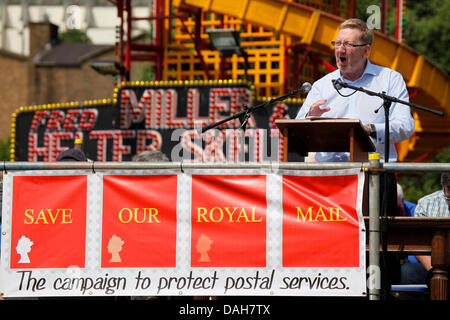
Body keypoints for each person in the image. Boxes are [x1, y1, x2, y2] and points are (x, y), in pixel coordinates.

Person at [295, 18, 415, 163]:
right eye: (337, 43)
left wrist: (371, 129)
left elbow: (405, 126)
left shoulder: (389, 79)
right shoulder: (322, 85)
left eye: (348, 44)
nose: (340, 49)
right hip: (331, 174)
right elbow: (296, 131)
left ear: (366, 51)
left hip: (374, 172)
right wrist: (309, 117)